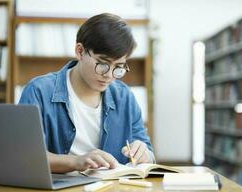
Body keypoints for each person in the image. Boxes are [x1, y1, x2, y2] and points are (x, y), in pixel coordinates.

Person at [19, 13, 154, 173]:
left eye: (118, 67)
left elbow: (150, 154)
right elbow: (27, 157)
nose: (109, 75)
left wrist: (144, 153)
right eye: (103, 64)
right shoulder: (39, 91)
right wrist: (76, 161)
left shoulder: (124, 97)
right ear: (80, 51)